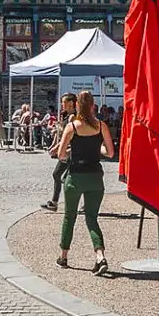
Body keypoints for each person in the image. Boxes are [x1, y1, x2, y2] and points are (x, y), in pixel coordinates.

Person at [56, 90, 113, 273]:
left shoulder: (72, 126)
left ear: (77, 105)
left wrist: (73, 152)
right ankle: (100, 256)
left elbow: (61, 154)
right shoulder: (101, 125)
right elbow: (110, 153)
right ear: (93, 105)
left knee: (69, 216)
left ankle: (64, 256)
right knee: (91, 218)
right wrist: (98, 149)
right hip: (96, 177)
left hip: (75, 177)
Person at [41, 93, 77, 212]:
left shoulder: (73, 117)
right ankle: (55, 202)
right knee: (61, 175)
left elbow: (68, 137)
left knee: (64, 177)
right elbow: (61, 135)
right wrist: (55, 146)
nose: (62, 104)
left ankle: (61, 203)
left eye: (64, 102)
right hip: (66, 149)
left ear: (71, 103)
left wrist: (57, 148)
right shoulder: (67, 116)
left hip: (70, 151)